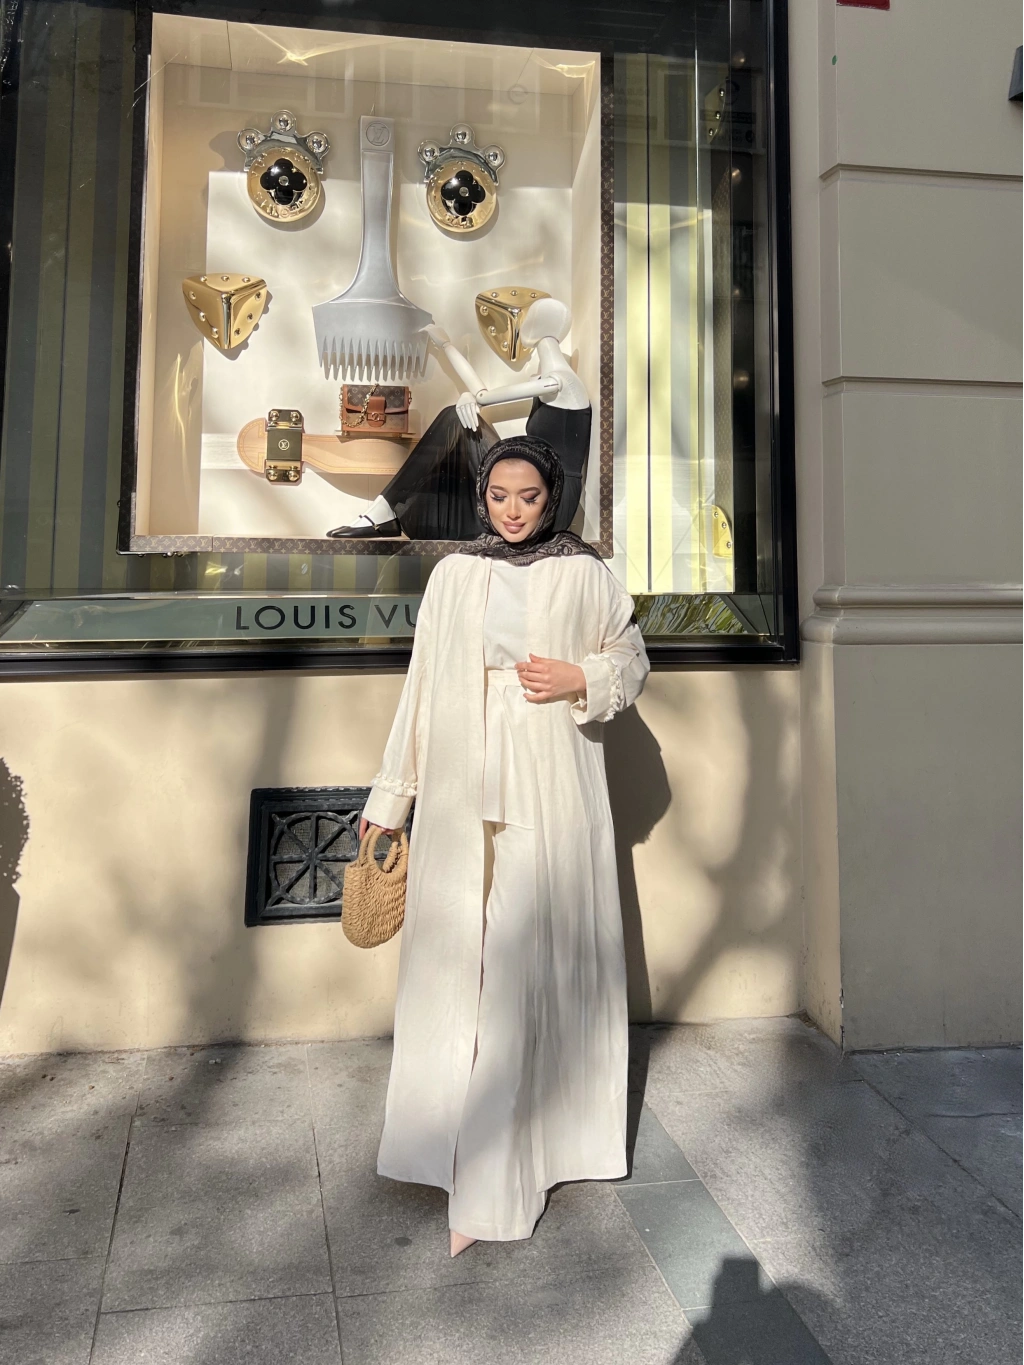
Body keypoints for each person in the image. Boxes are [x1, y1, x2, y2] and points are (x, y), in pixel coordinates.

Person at [358, 434, 649, 1256]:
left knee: (519, 969)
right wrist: (390, 799)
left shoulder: (585, 571)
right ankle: (451, 1147)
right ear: (481, 497)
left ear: (551, 497)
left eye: (529, 496)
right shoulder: (455, 574)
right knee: (463, 964)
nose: (514, 511)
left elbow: (632, 656)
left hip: (550, 782)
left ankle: (494, 1187)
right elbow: (421, 688)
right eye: (499, 496)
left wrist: (582, 678)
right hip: (462, 781)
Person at [328, 298, 591, 540]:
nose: (522, 325)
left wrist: (467, 392)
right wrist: (447, 346)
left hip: (553, 499)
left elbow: (483, 396)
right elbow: (482, 393)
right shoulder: (547, 381)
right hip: (533, 487)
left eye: (529, 318)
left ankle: (384, 509)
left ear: (540, 325)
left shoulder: (561, 381)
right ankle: (389, 509)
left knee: (456, 418)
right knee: (458, 422)